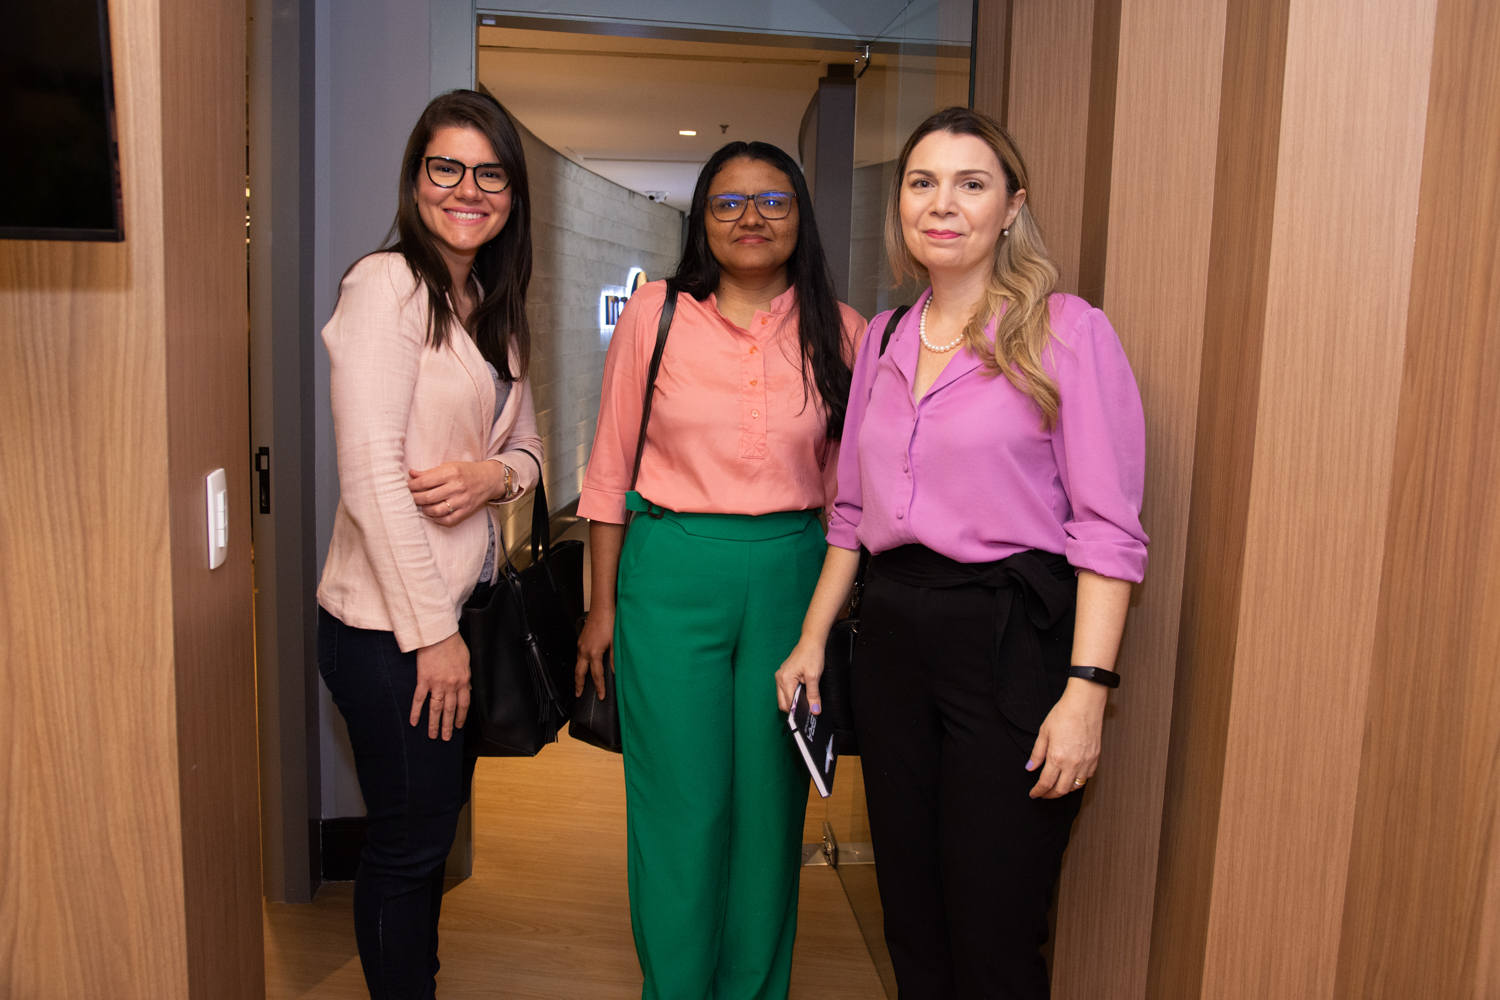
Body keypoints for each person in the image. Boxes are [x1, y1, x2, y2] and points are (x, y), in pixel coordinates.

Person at [776, 106, 1148, 998]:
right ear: (902, 205)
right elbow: (851, 514)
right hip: (893, 639)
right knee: (912, 914)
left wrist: (1088, 694)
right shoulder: (886, 337)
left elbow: (1108, 530)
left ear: (1011, 207)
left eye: (971, 184)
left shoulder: (1066, 332)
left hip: (1008, 638)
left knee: (993, 924)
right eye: (923, 182)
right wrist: (812, 639)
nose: (942, 204)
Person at [574, 141, 865, 1000]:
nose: (750, 218)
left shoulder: (843, 329)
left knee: (770, 811)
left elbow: (849, 498)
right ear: (702, 219)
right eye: (728, 202)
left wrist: (830, 619)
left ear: (801, 215)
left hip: (791, 577)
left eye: (773, 200)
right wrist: (600, 609)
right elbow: (607, 471)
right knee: (680, 806)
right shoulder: (656, 313)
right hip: (669, 574)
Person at [315, 89, 542, 1000]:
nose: (468, 190)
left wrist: (493, 478)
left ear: (512, 194)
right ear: (416, 178)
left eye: (490, 174)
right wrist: (433, 638)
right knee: (409, 848)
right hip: (393, 634)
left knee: (427, 836)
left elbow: (530, 451)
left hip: (456, 618)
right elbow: (370, 477)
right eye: (447, 167)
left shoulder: (488, 300)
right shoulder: (386, 286)